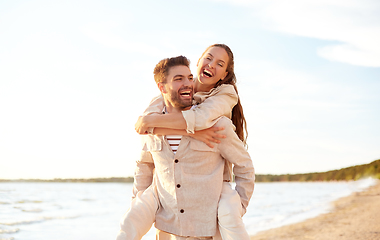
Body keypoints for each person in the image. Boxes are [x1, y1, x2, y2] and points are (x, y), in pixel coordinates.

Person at [117, 55, 254, 240]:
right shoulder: (152, 127)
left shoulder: (217, 126)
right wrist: (139, 203)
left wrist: (239, 207)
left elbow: (245, 166)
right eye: (178, 79)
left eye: (189, 78)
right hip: (167, 229)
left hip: (206, 232)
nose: (188, 83)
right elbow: (144, 167)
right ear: (162, 87)